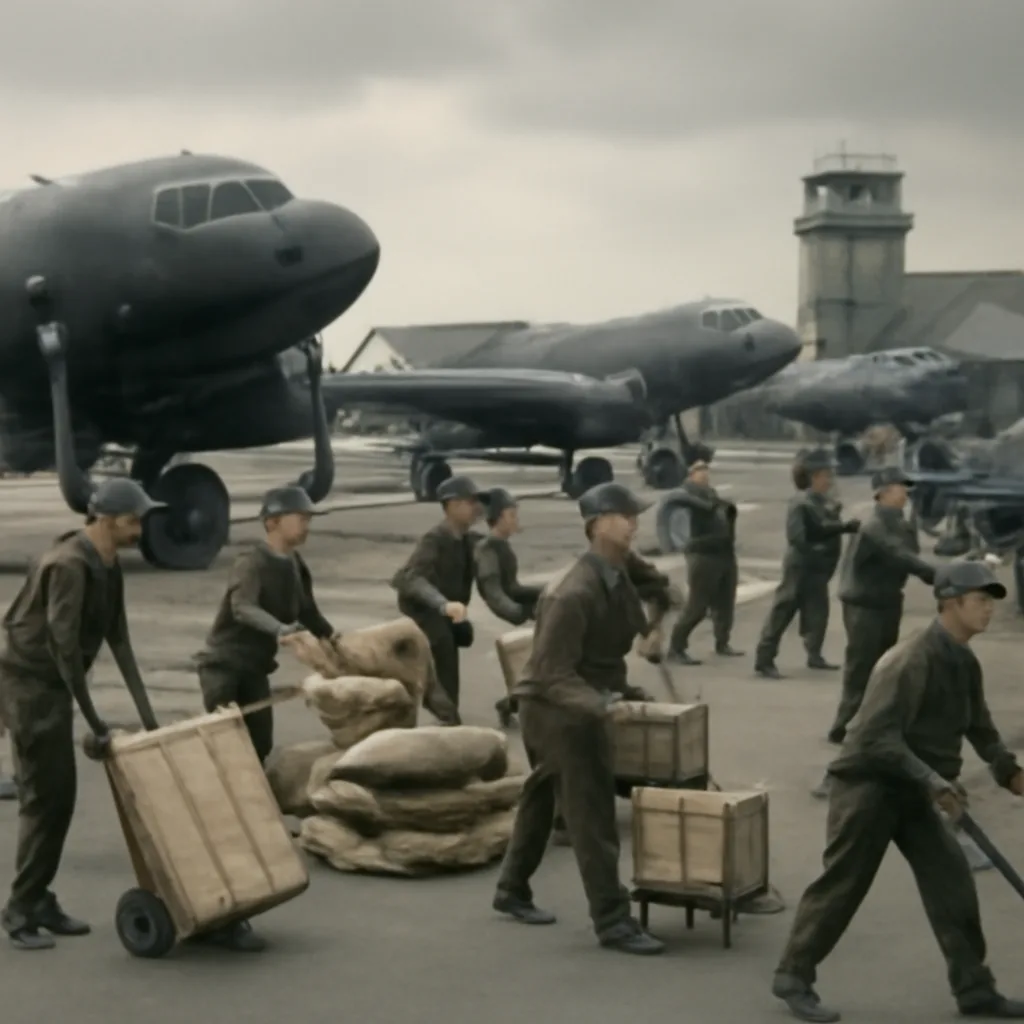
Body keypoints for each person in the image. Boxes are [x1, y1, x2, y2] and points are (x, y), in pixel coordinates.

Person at [771, 560, 1024, 1022]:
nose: (989, 610)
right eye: (981, 601)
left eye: (991, 602)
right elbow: (874, 737)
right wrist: (933, 781)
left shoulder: (963, 659)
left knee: (953, 885)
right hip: (870, 786)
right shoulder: (911, 659)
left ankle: (974, 989)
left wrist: (1009, 772)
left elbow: (980, 727)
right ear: (951, 603)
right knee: (842, 886)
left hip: (918, 790)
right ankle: (793, 975)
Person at [491, 481, 664, 955]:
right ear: (596, 525)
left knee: (543, 794)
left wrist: (655, 630)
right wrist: (605, 706)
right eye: (624, 515)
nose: (633, 522)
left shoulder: (619, 568)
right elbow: (551, 675)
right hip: (555, 709)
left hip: (584, 695)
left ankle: (510, 889)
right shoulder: (571, 593)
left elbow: (660, 593)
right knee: (591, 813)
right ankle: (613, 921)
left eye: (634, 515)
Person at [0, 478, 162, 951]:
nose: (141, 530)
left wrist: (150, 719)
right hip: (32, 690)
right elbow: (63, 648)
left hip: (53, 687)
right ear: (109, 521)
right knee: (44, 800)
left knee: (59, 800)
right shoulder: (70, 564)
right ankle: (20, 910)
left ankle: (38, 898)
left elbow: (121, 641)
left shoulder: (108, 565)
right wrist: (97, 724)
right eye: (135, 521)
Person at [196, 486, 336, 766]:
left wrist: (334, 640)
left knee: (260, 745)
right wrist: (279, 629)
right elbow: (243, 607)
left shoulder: (295, 564)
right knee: (229, 746)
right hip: (224, 669)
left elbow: (308, 611)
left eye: (309, 519)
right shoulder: (250, 562)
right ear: (273, 522)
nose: (307, 525)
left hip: (255, 669)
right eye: (300, 518)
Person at [754, 449, 860, 679]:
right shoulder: (800, 503)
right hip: (800, 567)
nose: (829, 481)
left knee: (817, 612)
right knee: (783, 610)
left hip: (817, 569)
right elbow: (797, 537)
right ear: (814, 477)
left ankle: (815, 654)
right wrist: (837, 530)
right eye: (825, 476)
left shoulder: (821, 502)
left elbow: (826, 524)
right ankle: (764, 658)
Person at [391, 475, 489, 721]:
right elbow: (413, 578)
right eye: (470, 502)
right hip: (423, 608)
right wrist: (441, 605)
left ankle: (443, 701)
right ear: (453, 505)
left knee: (463, 635)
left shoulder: (468, 540)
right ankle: (445, 709)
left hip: (449, 608)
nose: (477, 507)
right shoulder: (435, 539)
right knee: (443, 642)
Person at [473, 488, 544, 728]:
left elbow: (514, 586)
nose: (516, 521)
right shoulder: (488, 549)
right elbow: (493, 589)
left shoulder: (500, 545)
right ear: (499, 517)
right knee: (541, 662)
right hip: (509, 612)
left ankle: (513, 702)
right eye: (512, 515)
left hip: (519, 607)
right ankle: (511, 703)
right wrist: (516, 613)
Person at [666, 459, 743, 664]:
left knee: (725, 602)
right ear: (690, 474)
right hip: (703, 555)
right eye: (698, 470)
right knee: (697, 606)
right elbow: (682, 520)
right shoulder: (686, 496)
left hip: (723, 553)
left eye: (705, 470)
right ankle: (676, 647)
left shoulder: (710, 493)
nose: (704, 474)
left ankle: (722, 642)